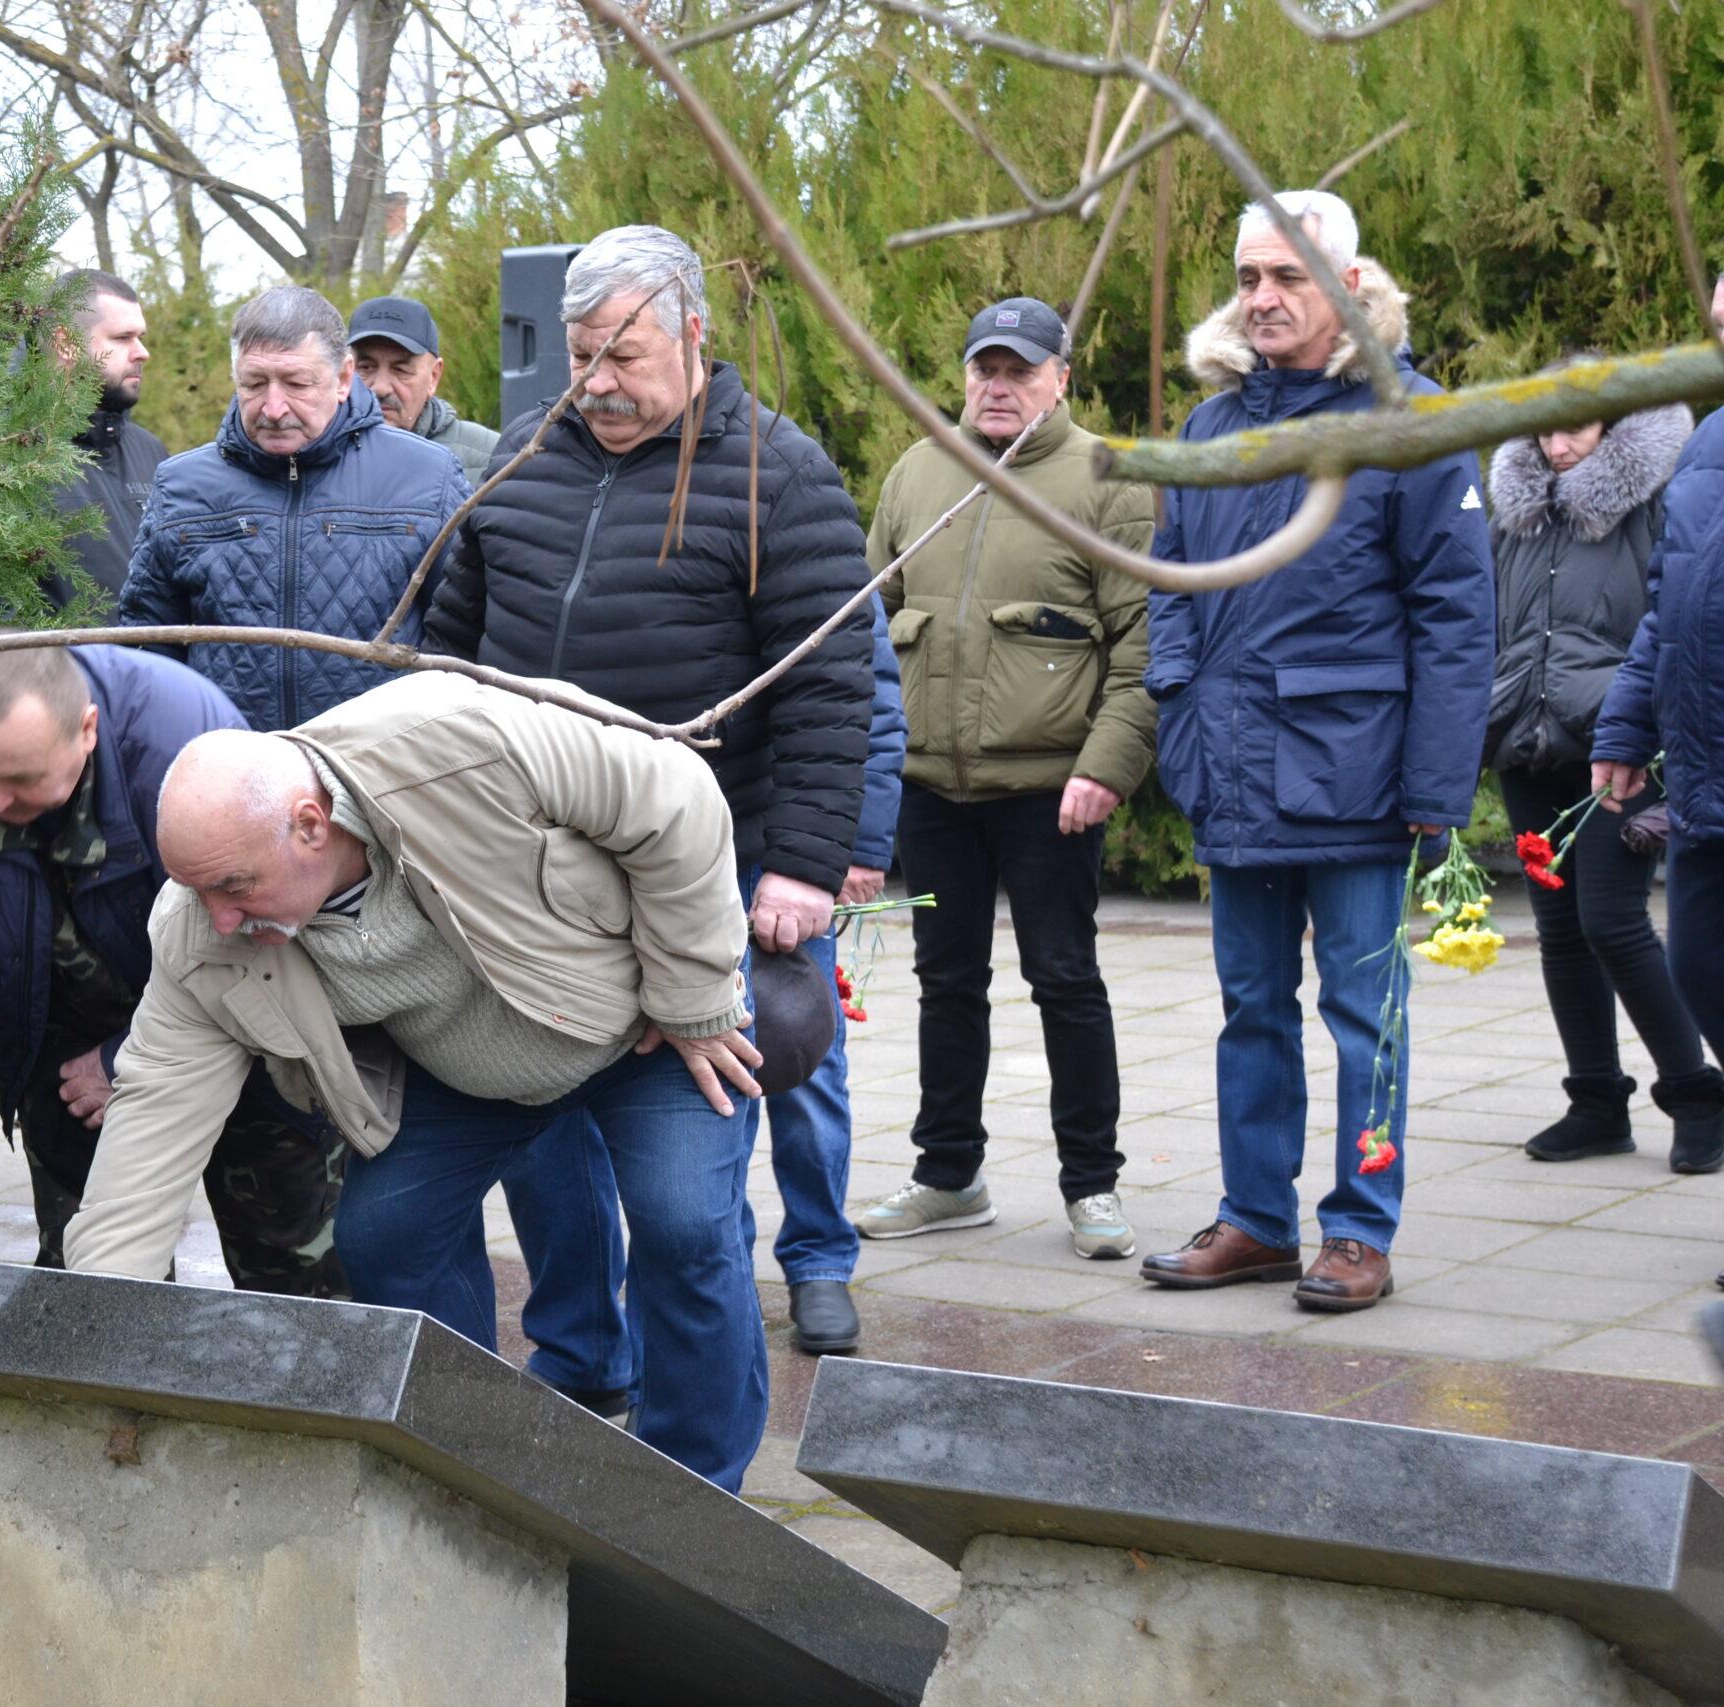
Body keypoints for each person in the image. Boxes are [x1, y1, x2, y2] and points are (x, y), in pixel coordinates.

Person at [61, 673, 770, 1492]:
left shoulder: (456, 739)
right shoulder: (200, 933)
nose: (221, 918)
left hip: (641, 1019)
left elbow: (675, 791)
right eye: (198, 890)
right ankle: (477, 1473)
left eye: (234, 886)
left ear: (309, 824)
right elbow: (150, 1121)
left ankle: (696, 1493)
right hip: (462, 1068)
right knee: (385, 1234)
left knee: (685, 1222)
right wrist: (94, 1345)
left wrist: (694, 994)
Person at [428, 223, 879, 1360]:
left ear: (694, 333)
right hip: (540, 879)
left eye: (624, 357)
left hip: (717, 872)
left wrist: (805, 865)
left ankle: (707, 1418)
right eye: (582, 356)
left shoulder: (779, 471)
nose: (599, 384)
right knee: (543, 1139)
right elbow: (448, 646)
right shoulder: (524, 453)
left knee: (690, 1191)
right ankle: (584, 1360)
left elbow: (833, 686)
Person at [1139, 191, 1493, 1312]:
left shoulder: (1409, 420)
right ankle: (1255, 1220)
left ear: (1346, 285)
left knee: (1365, 1021)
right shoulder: (1208, 428)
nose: (1261, 298)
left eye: (1287, 277)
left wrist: (1435, 787)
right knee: (1251, 1010)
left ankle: (1357, 1231)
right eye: (1248, 278)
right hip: (1234, 772)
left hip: (1357, 775)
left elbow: (1455, 614)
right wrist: (1179, 711)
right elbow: (1172, 592)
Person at [0, 643, 350, 1296]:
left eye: (22, 778)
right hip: (59, 1042)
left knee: (296, 1286)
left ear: (87, 729)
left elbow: (256, 938)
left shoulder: (185, 746)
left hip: (238, 1028)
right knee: (87, 1296)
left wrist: (127, 1058)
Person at [855, 297, 1155, 1262]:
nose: (998, 384)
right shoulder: (919, 471)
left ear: (1061, 377)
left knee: (1064, 980)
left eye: (1020, 370)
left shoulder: (1110, 480)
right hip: (932, 792)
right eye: (985, 366)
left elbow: (1144, 650)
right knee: (946, 981)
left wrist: (1106, 767)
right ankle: (950, 1175)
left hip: (1049, 795)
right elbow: (864, 626)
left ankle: (1092, 1186)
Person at [1487, 384, 1718, 1170]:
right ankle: (1595, 1100)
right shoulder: (1518, 508)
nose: (1557, 445)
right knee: (1557, 927)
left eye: (1575, 428)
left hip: (1618, 744)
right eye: (1546, 428)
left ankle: (1696, 1094)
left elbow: (1674, 610)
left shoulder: (1656, 497)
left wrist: (1642, 724)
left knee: (1612, 920)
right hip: (1528, 737)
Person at [118, 285, 469, 731]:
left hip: (376, 772)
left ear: (343, 379)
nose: (274, 407)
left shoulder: (427, 476)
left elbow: (462, 640)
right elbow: (148, 650)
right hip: (231, 770)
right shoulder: (181, 486)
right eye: (254, 384)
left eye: (297, 384)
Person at [1594, 276, 1724, 1187]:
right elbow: (1667, 603)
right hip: (1709, 775)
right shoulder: (1711, 446)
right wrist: (1627, 724)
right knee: (1699, 963)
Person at [45, 269, 163, 603]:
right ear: (66, 343)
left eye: (140, 337)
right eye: (123, 338)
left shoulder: (151, 452)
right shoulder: (6, 454)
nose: (142, 352)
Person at [347, 294, 499, 482]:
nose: (380, 388)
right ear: (344, 373)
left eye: (400, 369)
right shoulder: (313, 452)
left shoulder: (492, 459)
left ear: (433, 377)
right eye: (366, 368)